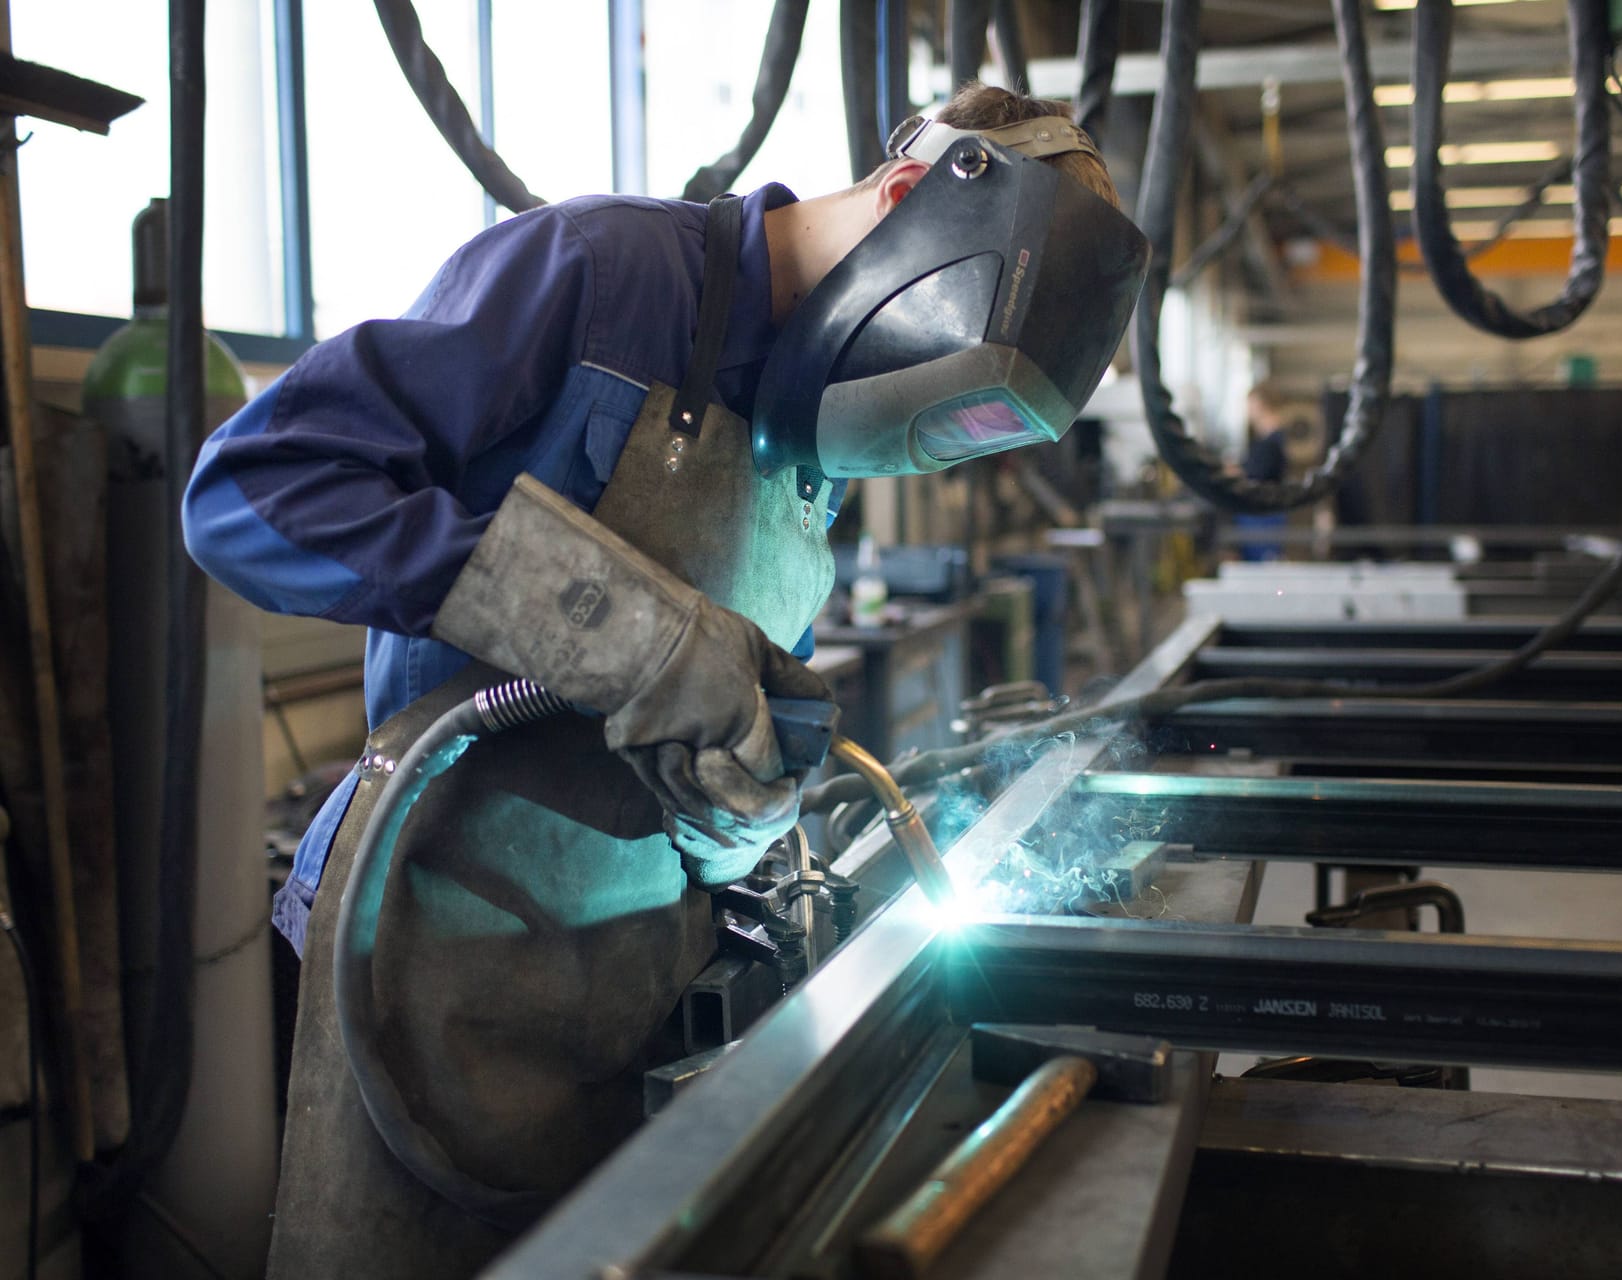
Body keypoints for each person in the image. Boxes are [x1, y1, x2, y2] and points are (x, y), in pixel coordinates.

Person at [183, 83, 1146, 1279]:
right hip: (413, 970)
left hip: (630, 1000)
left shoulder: (816, 439)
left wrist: (743, 805)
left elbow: (705, 709)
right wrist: (617, 631)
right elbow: (253, 493)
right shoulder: (598, 272)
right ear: (908, 200)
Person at [1234, 378, 1296, 561]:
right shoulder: (1270, 441)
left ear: (1261, 404)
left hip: (1263, 519)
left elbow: (1255, 477)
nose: (1249, 411)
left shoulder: (1270, 444)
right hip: (1260, 516)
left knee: (1263, 566)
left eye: (1251, 404)